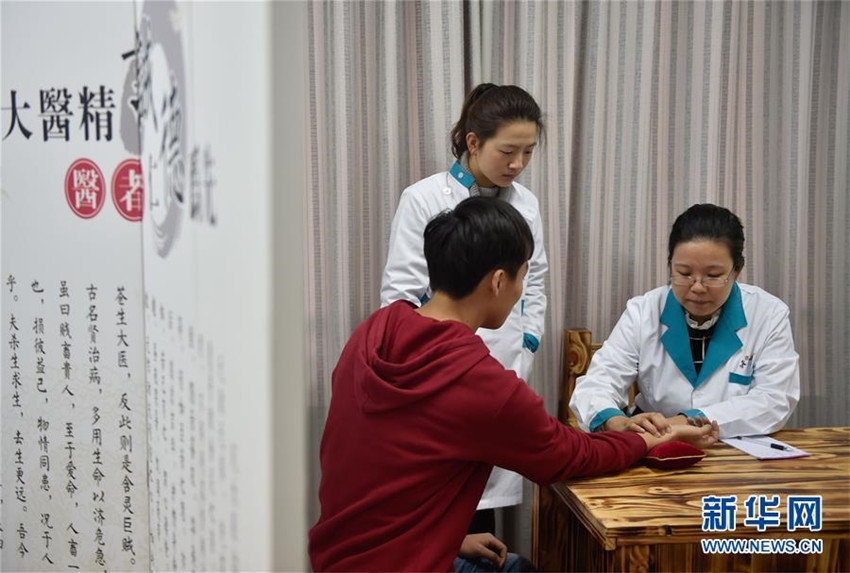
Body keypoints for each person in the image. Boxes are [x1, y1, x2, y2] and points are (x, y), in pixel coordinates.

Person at [309, 197, 719, 572]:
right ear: (498, 281)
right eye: (523, 277)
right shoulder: (480, 383)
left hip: (340, 559)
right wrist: (650, 438)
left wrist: (449, 537)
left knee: (513, 566)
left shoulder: (373, 331)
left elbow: (379, 473)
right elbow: (568, 455)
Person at [381, 83, 548, 526]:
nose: (518, 164)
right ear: (473, 143)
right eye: (508, 151)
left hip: (503, 364)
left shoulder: (527, 205)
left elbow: (535, 279)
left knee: (484, 504)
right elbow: (400, 295)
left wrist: (528, 341)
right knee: (442, 499)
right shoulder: (424, 198)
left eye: (528, 152)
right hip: (440, 371)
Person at [570, 203, 800, 439]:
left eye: (713, 276)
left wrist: (683, 422)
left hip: (730, 448)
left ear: (737, 270)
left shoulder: (768, 314)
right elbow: (598, 384)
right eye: (684, 273)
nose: (697, 287)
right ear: (670, 266)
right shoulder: (644, 311)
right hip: (650, 444)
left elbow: (775, 400)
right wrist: (617, 422)